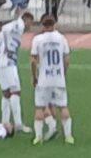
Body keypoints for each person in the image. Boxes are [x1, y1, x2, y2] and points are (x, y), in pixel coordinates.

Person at [30, 14, 75, 145]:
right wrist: (63, 73)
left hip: (44, 79)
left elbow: (33, 61)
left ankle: (38, 137)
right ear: (54, 24)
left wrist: (34, 76)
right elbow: (67, 59)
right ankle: (68, 136)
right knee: (63, 107)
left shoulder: (37, 39)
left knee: (39, 107)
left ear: (43, 25)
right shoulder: (62, 38)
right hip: (58, 78)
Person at [0, 11, 35, 134]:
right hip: (9, 62)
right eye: (30, 23)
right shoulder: (18, 26)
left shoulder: (11, 30)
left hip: (1, 62)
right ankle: (18, 124)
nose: (30, 26)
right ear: (26, 20)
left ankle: (4, 122)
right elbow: (7, 28)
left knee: (6, 93)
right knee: (16, 91)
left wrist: (0, 50)